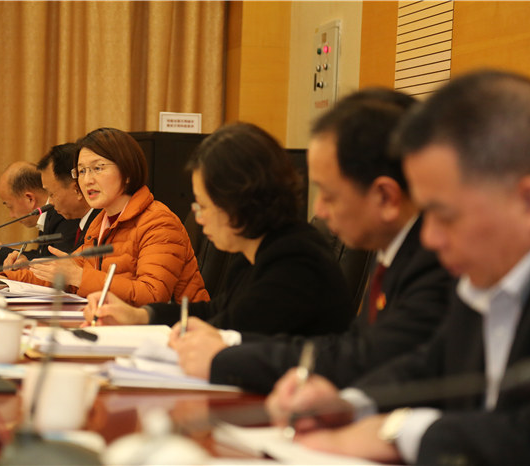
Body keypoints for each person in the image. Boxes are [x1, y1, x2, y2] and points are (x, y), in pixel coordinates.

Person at [266, 70, 530, 465]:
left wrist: (396, 432)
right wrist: (347, 405)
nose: (428, 238)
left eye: (443, 215)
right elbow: (433, 364)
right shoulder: (490, 268)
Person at [167, 90, 454, 391]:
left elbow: (370, 360)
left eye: (329, 195)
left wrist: (226, 357)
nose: (319, 211)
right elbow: (354, 346)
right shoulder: (394, 254)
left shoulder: (436, 260)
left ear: (385, 196)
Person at [82, 122, 355, 336]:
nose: (199, 220)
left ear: (240, 200)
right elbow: (218, 311)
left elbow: (251, 341)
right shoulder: (256, 252)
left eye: (203, 206)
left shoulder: (294, 261)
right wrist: (142, 316)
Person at [6, 127, 209, 305]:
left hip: (176, 329)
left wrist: (79, 276)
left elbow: (152, 295)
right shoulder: (101, 222)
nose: (87, 180)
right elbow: (65, 275)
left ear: (127, 172)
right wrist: (2, 278)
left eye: (97, 168)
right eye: (82, 171)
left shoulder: (158, 222)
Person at [0, 161, 79, 266]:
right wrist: (6, 253)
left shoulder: (64, 214)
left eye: (10, 206)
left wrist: (1, 255)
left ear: (29, 199)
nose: (11, 215)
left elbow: (55, 265)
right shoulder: (49, 216)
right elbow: (41, 255)